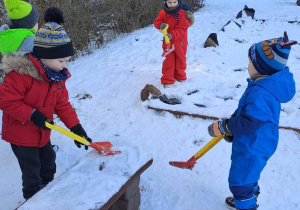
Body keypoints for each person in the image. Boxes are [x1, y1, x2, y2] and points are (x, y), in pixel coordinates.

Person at [0, 7, 92, 200]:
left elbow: (63, 105)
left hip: (42, 131)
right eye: (61, 60)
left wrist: (76, 128)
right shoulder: (21, 75)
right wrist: (32, 114)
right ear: (44, 57)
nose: (65, 65)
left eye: (66, 60)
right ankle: (32, 199)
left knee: (49, 162)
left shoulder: (56, 77)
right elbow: (5, 100)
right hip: (21, 134)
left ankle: (48, 191)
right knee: (32, 170)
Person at [207, 32, 297, 210]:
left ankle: (245, 201)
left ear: (262, 68)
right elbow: (247, 113)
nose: (248, 66)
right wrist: (234, 125)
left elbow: (250, 122)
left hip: (253, 144)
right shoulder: (265, 85)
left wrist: (225, 126)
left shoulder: (260, 93)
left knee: (239, 182)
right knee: (249, 174)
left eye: (250, 62)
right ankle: (249, 195)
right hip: (260, 139)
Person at [154, 0, 192, 88]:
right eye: (169, 2)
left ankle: (180, 76)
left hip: (180, 42)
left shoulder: (183, 13)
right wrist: (160, 25)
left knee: (180, 60)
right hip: (167, 42)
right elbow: (157, 21)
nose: (172, 5)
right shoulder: (163, 12)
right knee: (169, 61)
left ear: (178, 2)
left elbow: (182, 28)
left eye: (174, 2)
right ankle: (167, 79)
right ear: (166, 2)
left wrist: (172, 35)